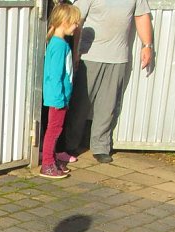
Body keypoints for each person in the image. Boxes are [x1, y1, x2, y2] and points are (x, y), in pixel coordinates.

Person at [62, 0, 154, 164]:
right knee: (80, 103)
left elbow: (142, 16)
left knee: (108, 106)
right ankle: (70, 144)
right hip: (89, 56)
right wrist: (76, 51)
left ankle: (100, 147)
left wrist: (147, 45)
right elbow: (77, 20)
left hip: (118, 58)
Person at [40, 2, 82, 179]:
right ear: (64, 22)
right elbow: (55, 75)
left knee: (55, 129)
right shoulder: (59, 45)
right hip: (58, 97)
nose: (76, 26)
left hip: (60, 96)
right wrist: (59, 97)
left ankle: (51, 160)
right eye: (74, 22)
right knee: (54, 130)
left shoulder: (59, 43)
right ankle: (47, 164)